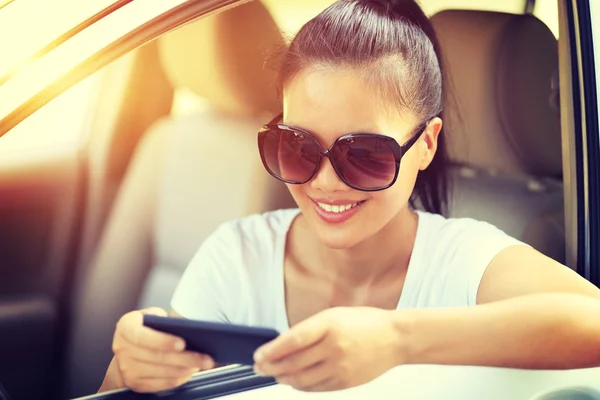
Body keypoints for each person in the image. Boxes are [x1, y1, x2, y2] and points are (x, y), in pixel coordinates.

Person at [99, 0, 600, 394]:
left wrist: (398, 340)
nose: (323, 182)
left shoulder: (461, 261)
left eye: (364, 155)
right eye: (296, 147)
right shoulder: (237, 256)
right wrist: (129, 370)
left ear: (425, 144)